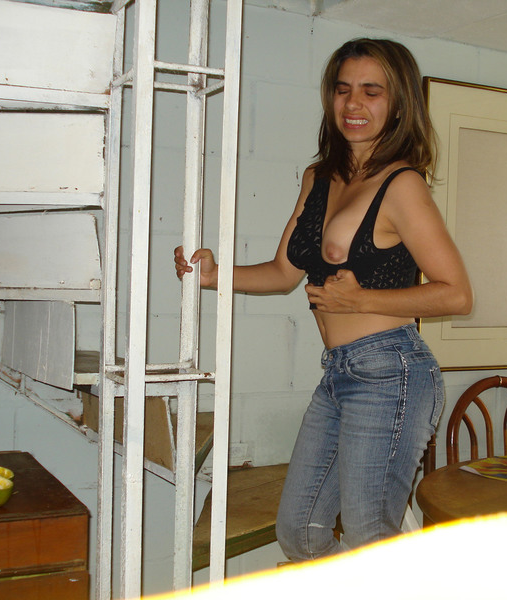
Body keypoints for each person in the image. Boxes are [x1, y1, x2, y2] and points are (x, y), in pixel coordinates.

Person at [174, 38, 473, 560]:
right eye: (343, 89)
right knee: (300, 531)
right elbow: (282, 272)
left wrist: (362, 300)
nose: (353, 103)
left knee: (369, 537)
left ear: (398, 103)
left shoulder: (402, 184)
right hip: (338, 373)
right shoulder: (318, 178)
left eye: (371, 92)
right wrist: (216, 276)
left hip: (393, 372)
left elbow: (457, 294)